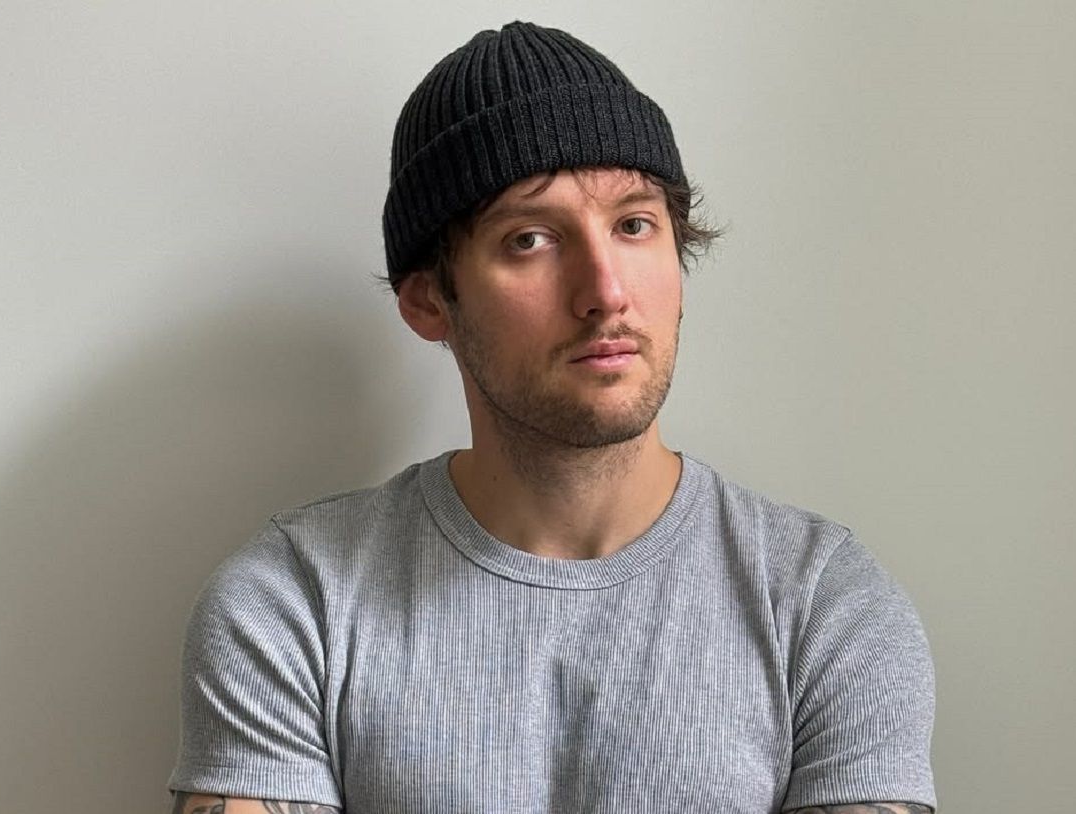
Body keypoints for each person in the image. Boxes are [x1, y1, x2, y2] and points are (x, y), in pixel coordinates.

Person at [168, 21, 936, 814]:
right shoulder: (295, 606)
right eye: (530, 239)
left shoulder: (825, 607)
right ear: (430, 301)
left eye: (634, 225)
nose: (605, 291)